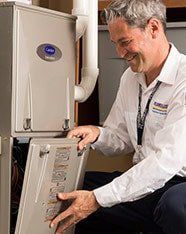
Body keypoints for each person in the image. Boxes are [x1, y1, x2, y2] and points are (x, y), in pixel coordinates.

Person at [50, 0, 186, 233]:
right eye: (115, 44)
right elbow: (121, 138)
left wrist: (98, 199)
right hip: (146, 180)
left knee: (174, 206)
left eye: (125, 42)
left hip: (178, 182)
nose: (120, 53)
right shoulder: (130, 78)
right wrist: (97, 134)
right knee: (71, 188)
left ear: (153, 28)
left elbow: (166, 162)